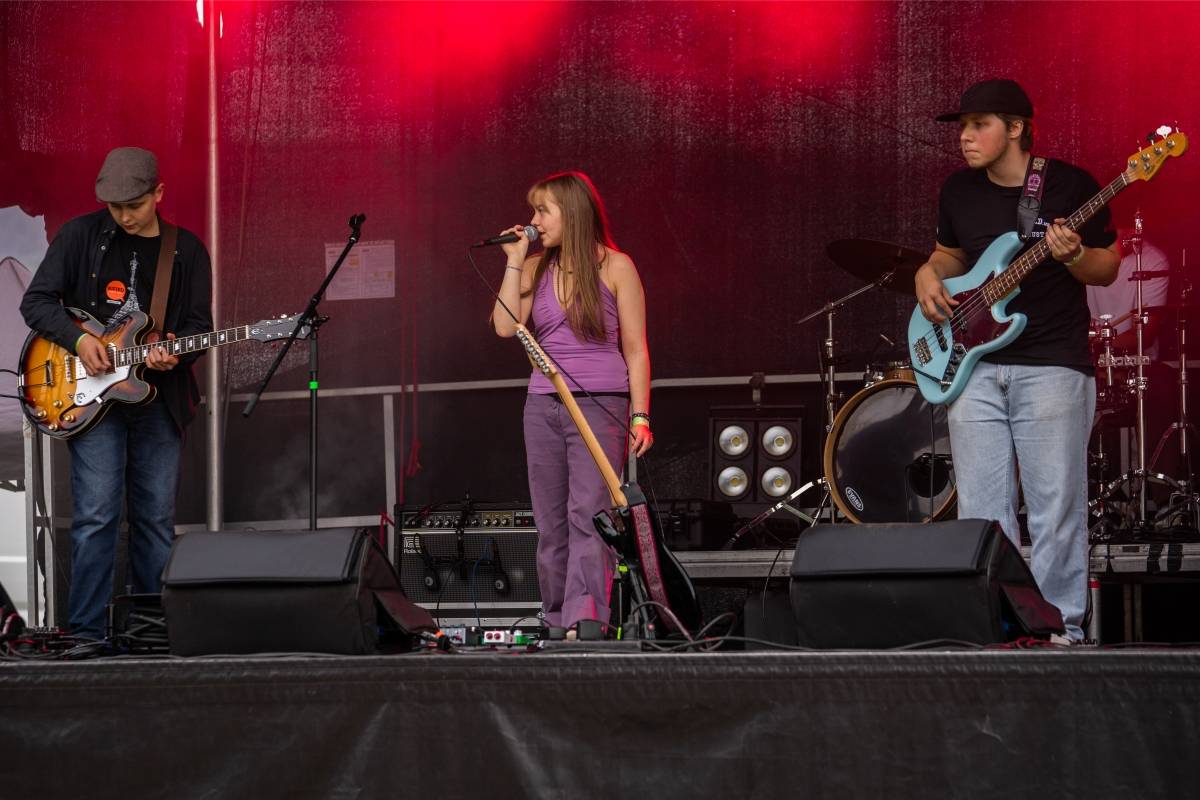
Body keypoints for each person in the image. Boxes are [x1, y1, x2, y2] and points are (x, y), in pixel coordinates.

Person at [913, 79, 1120, 641]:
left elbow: (1106, 267)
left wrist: (1074, 254)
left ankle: (1060, 629)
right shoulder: (958, 191)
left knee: (1056, 507)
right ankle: (996, 627)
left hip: (1052, 364)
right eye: (961, 128)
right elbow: (950, 255)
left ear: (1017, 127)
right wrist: (926, 273)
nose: (965, 138)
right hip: (973, 366)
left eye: (978, 125)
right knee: (981, 513)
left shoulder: (1071, 184)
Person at [20, 147, 213, 640]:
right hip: (91, 398)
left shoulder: (186, 250)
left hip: (159, 400)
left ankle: (149, 632)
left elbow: (197, 327)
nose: (125, 215)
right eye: (115, 206)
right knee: (96, 516)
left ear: (159, 194)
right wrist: (81, 340)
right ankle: (87, 634)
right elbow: (37, 301)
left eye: (135, 204)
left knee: (154, 519)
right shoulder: (79, 236)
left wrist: (177, 353)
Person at [491, 171, 651, 629]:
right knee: (550, 519)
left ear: (572, 212)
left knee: (589, 513)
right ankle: (556, 615)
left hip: (600, 403)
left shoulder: (615, 266)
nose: (534, 220)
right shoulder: (537, 268)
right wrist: (515, 260)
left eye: (543, 210)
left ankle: (587, 619)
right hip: (542, 403)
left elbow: (636, 348)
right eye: (533, 211)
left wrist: (640, 415)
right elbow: (505, 327)